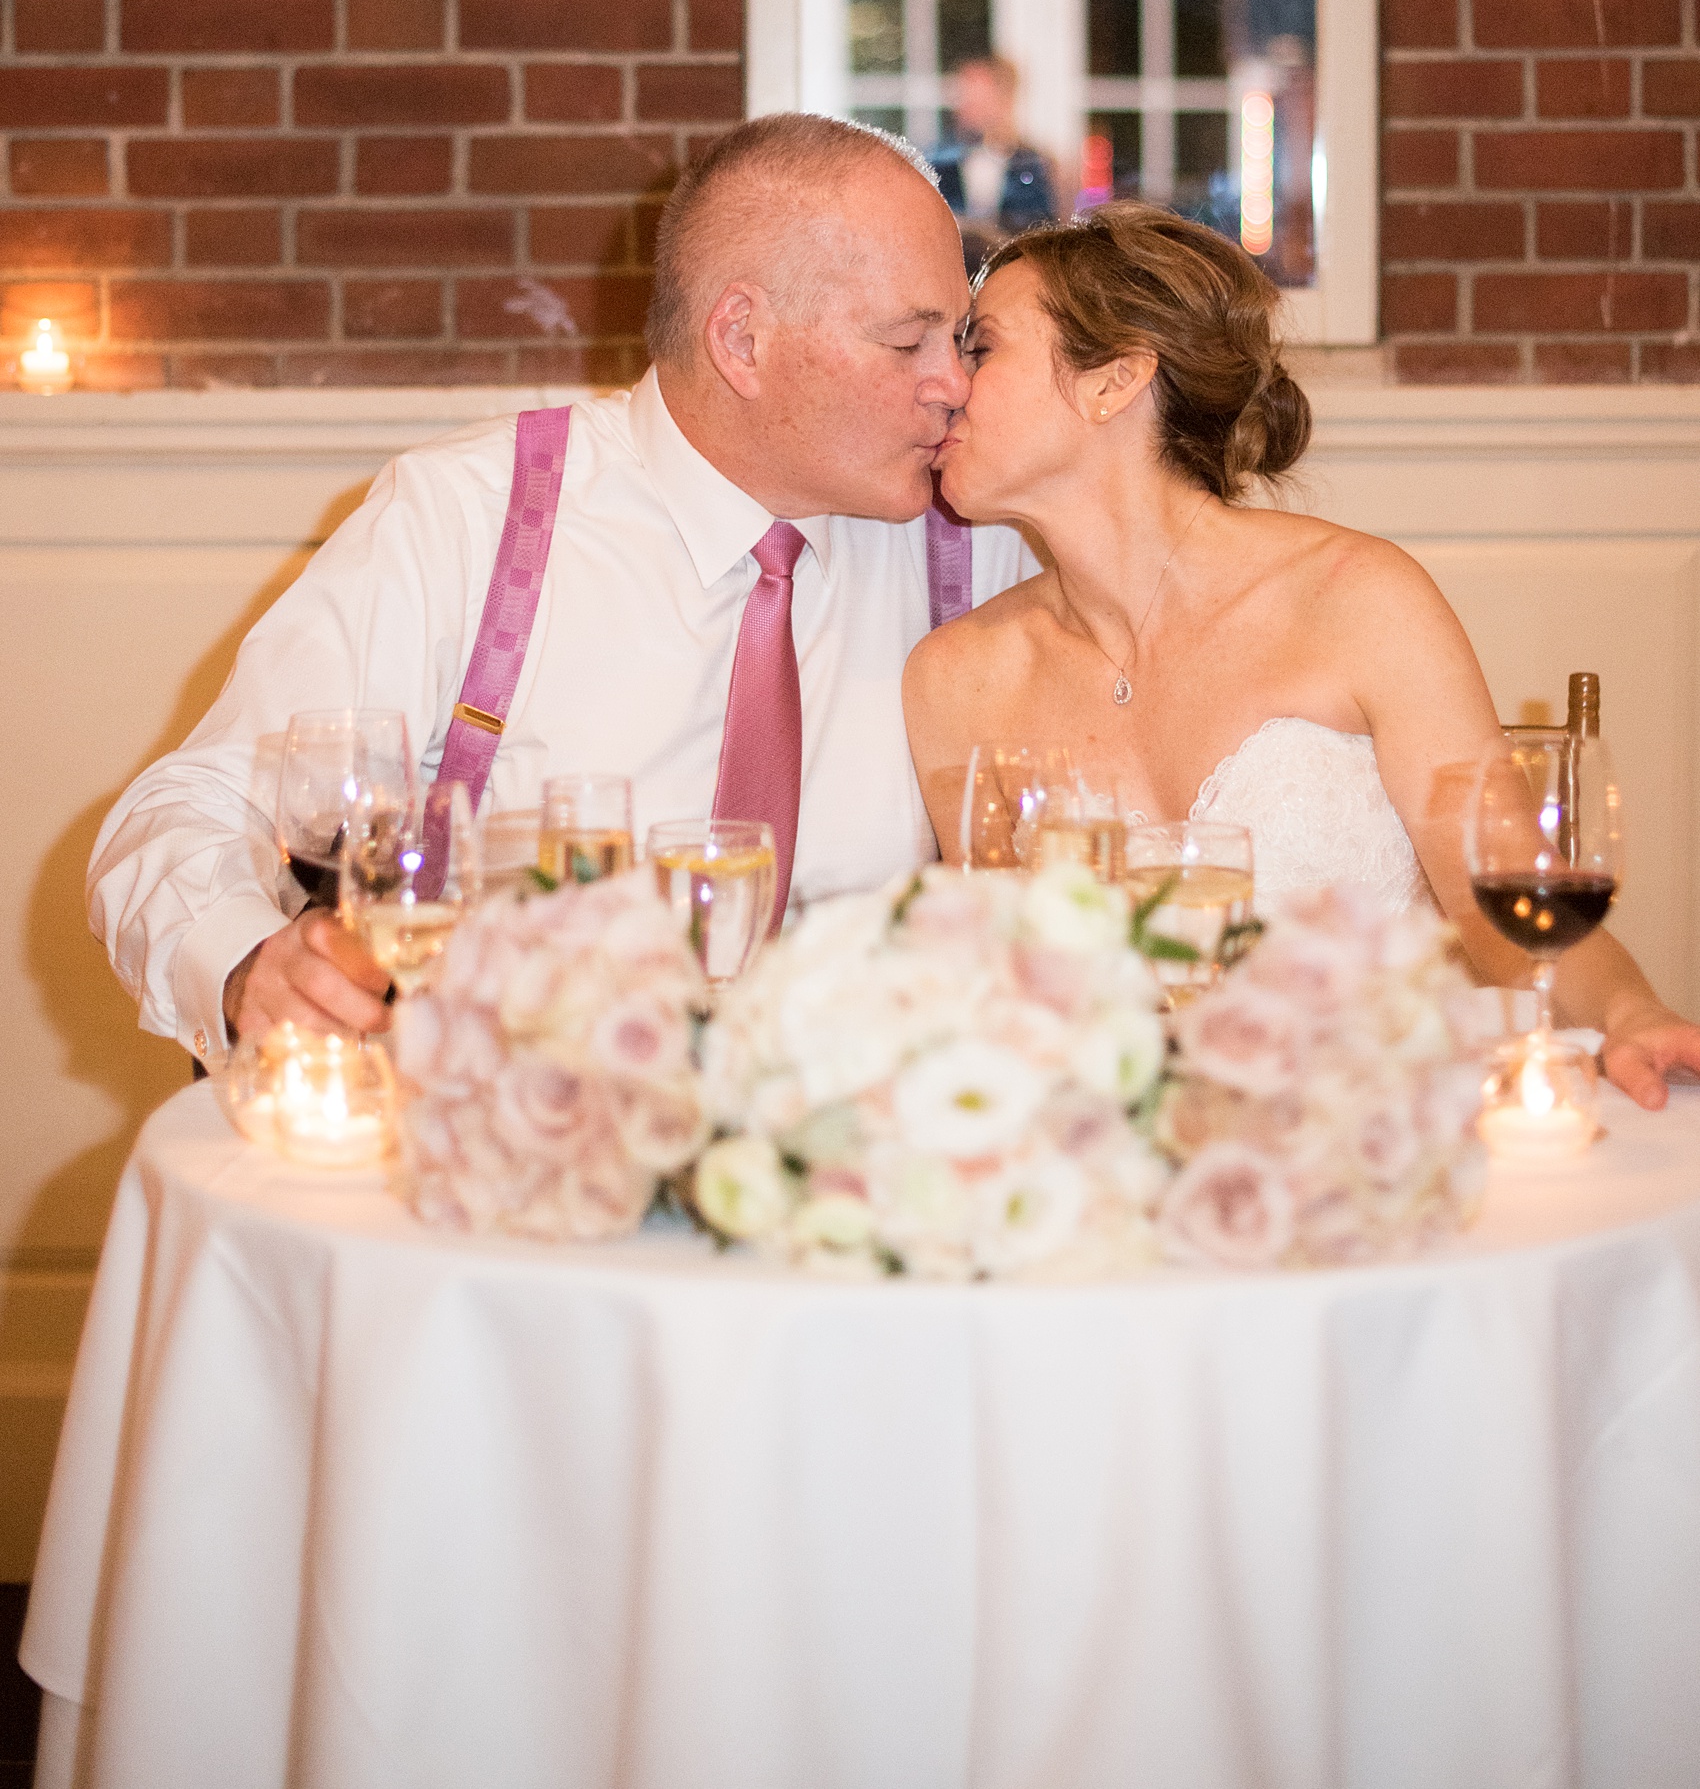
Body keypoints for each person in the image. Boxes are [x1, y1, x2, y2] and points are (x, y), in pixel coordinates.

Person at [89, 117, 1036, 1057]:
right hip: (506, 1157)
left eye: (957, 336)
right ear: (741, 339)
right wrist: (249, 961)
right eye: (910, 342)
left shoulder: (980, 545)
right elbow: (186, 811)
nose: (954, 383)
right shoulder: (468, 518)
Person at [903, 201, 1700, 1112]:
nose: (944, 384)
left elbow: (1504, 904)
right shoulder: (955, 679)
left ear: (1112, 381)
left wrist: (1632, 1009)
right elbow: (1011, 995)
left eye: (981, 346)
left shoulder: (1357, 600)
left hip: (1374, 1141)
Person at [931, 55, 1067, 246]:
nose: (963, 106)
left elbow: (1049, 235)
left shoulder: (1037, 165)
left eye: (975, 96)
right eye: (961, 95)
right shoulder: (935, 163)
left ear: (1004, 100)